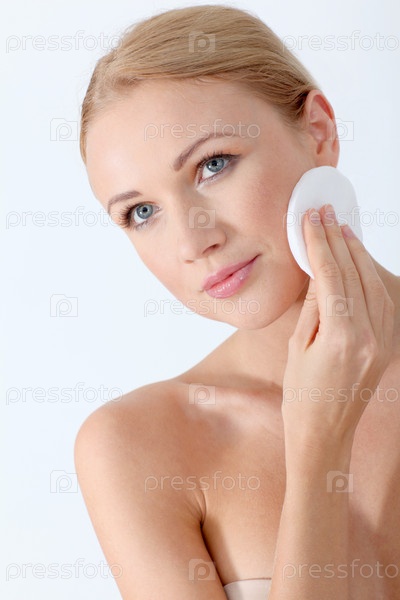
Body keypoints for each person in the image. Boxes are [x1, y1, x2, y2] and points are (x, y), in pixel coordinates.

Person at [74, 5, 400, 599]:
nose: (192, 242)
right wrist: (318, 447)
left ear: (318, 132)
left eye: (213, 165)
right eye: (142, 212)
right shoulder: (135, 446)